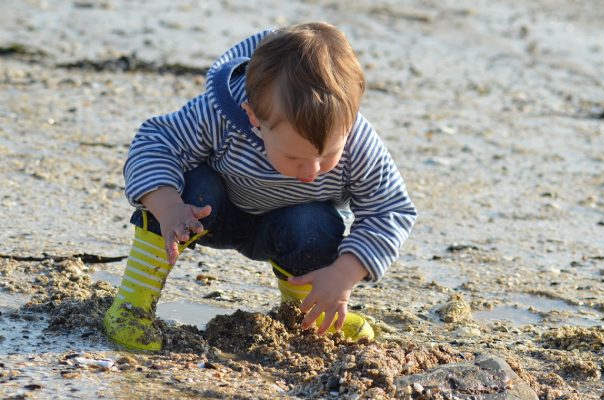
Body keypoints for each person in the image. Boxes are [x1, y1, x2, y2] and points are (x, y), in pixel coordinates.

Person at [103, 22, 417, 351]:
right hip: (206, 212)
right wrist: (166, 206)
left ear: (350, 121)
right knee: (191, 184)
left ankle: (305, 315)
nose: (311, 171)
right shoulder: (221, 115)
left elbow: (390, 209)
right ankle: (132, 305)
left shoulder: (358, 144)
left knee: (317, 222)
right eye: (294, 156)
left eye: (327, 155)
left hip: (289, 225)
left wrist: (345, 273)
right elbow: (156, 141)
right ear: (254, 117)